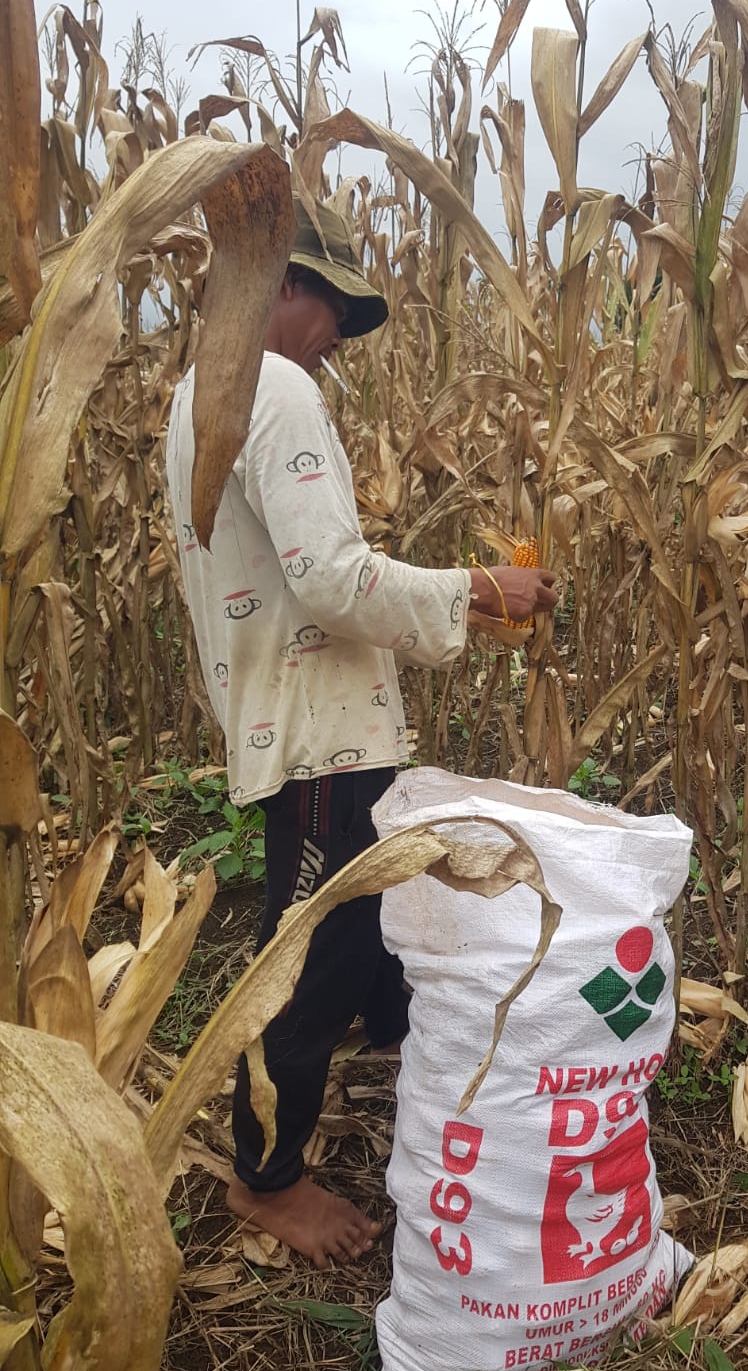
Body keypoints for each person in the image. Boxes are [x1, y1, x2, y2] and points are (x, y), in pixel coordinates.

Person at [166, 197, 557, 1264]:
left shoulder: (203, 393)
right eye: (335, 307)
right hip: (318, 736)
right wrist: (481, 586)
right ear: (284, 287)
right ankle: (268, 1176)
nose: (338, 336)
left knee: (374, 916)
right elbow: (331, 579)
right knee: (307, 956)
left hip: (296, 720)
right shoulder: (273, 383)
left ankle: (404, 1051)